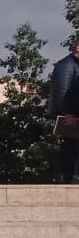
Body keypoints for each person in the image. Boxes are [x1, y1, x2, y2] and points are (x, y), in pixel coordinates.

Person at [47, 34, 79, 183]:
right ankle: (70, 180)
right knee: (72, 152)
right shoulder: (67, 65)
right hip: (71, 119)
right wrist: (68, 113)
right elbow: (62, 91)